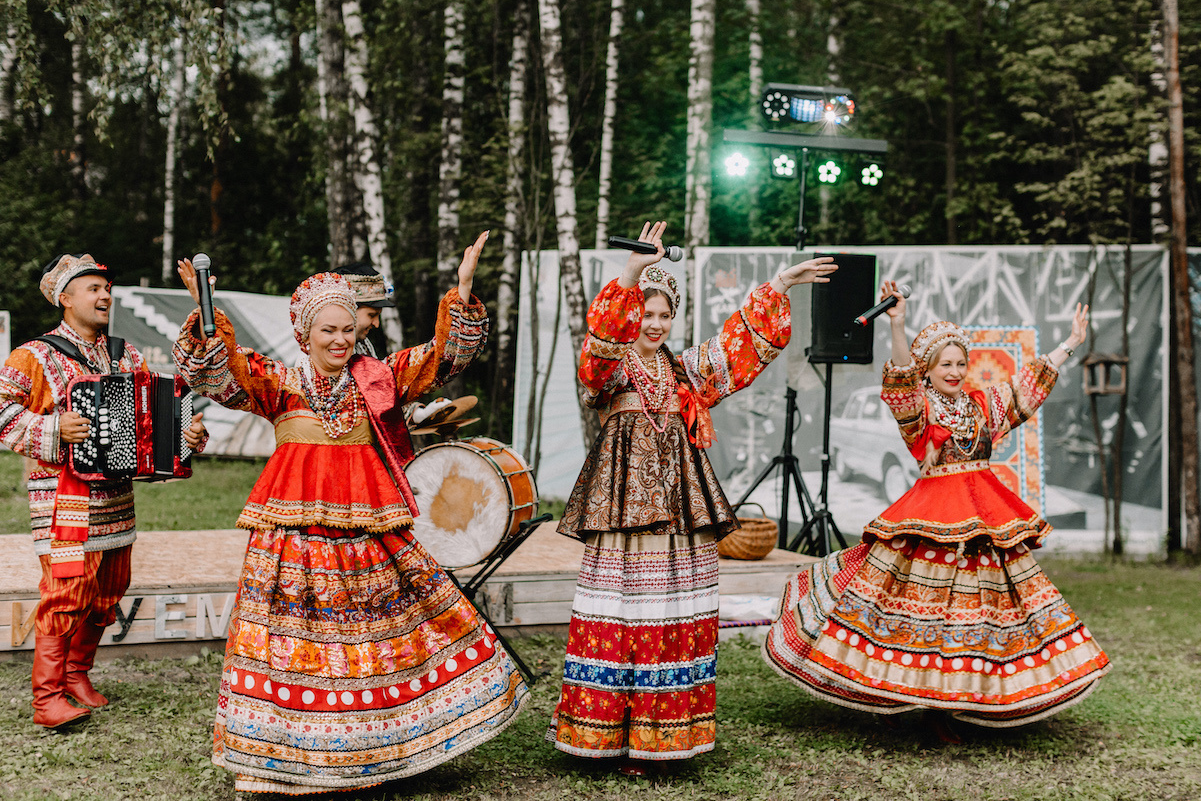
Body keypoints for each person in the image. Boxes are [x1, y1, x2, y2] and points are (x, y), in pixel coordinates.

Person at [172, 233, 527, 795]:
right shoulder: (277, 383)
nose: (340, 339)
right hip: (293, 539)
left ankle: (375, 746)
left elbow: (442, 359)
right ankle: (287, 754)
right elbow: (218, 375)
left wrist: (461, 292)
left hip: (367, 532)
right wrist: (206, 315)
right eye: (327, 330)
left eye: (346, 329)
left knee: (368, 638)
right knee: (295, 641)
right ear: (304, 334)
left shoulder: (379, 381)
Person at [547, 222, 837, 772]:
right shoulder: (606, 372)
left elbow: (739, 346)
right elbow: (597, 352)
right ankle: (610, 735)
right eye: (645, 315)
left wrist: (780, 284)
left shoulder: (684, 371)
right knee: (627, 610)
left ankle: (666, 736)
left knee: (675, 609)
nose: (654, 325)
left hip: (680, 508)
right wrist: (632, 273)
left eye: (664, 316)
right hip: (624, 507)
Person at [764, 280, 1110, 736]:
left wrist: (1069, 343)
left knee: (978, 615)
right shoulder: (919, 408)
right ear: (927, 369)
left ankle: (967, 698)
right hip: (932, 519)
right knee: (923, 613)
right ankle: (924, 700)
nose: (954, 369)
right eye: (944, 363)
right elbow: (901, 378)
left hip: (981, 519)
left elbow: (1027, 385)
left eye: (960, 362)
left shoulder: (982, 407)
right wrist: (899, 324)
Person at [0, 253, 207, 728]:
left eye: (106, 288)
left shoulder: (125, 354)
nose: (104, 295)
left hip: (115, 496)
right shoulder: (33, 355)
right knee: (67, 590)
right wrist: (52, 429)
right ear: (65, 299)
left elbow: (152, 417)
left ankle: (76, 674)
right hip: (62, 497)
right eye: (92, 288)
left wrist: (185, 437)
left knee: (109, 590)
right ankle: (46, 698)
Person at [333, 261, 394, 358]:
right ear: (347, 310)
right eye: (371, 315)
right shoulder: (310, 354)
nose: (376, 324)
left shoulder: (364, 345)